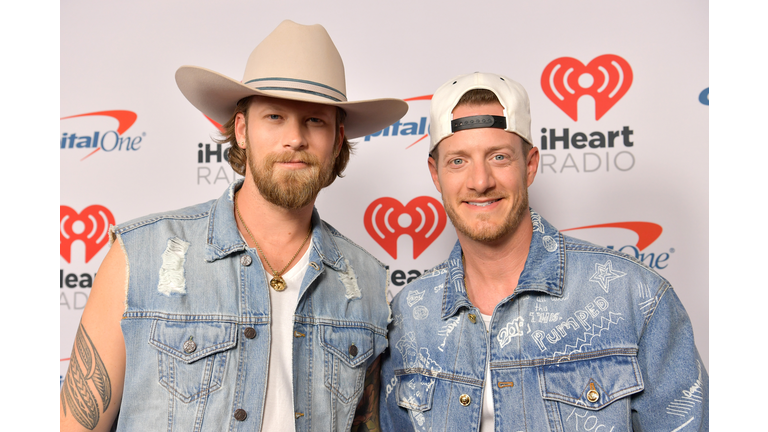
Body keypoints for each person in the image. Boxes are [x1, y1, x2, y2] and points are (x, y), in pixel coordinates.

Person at [60, 20, 407, 432]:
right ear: (242, 130)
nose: (294, 138)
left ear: (336, 139)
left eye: (314, 120)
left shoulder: (367, 280)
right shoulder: (142, 255)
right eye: (275, 116)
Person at [379, 73, 708, 431]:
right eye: (458, 161)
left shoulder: (634, 295)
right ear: (436, 174)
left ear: (530, 164)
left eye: (499, 156)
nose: (480, 180)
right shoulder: (408, 316)